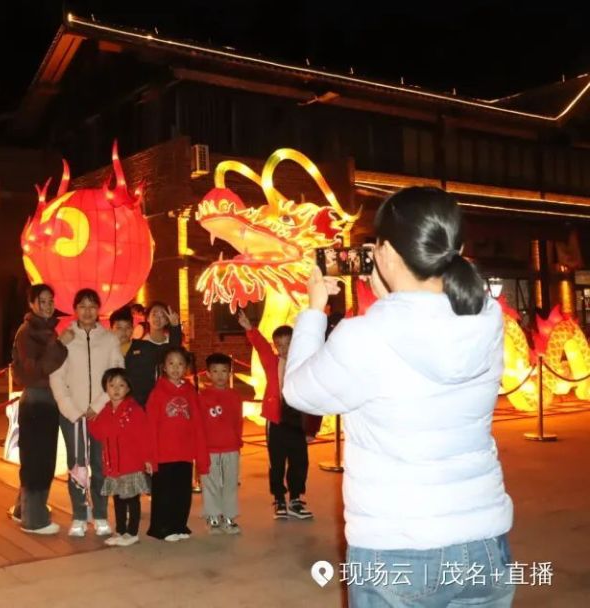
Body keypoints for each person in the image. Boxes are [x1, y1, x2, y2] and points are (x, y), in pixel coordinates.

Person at [284, 186, 515, 606]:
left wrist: (315, 308)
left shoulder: (365, 337)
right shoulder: (486, 318)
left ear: (384, 252)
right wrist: (395, 295)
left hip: (398, 549)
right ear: (455, 246)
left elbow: (298, 391)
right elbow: (424, 325)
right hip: (485, 543)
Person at [50, 288, 125, 537]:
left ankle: (101, 514)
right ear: (75, 310)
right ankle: (80, 515)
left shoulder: (110, 339)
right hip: (73, 415)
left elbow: (117, 375)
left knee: (100, 465)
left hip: (101, 413)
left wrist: (100, 404)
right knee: (76, 465)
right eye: (82, 306)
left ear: (99, 310)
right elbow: (56, 377)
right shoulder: (65, 338)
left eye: (92, 306)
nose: (87, 311)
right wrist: (72, 410)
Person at [238, 313, 313, 520]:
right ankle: (279, 497)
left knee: (300, 461)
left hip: (298, 420)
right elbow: (261, 346)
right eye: (279, 344)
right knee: (277, 461)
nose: (283, 348)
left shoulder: (304, 364)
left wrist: (312, 429)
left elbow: (312, 395)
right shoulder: (272, 362)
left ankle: (296, 498)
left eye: (288, 344)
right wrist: (249, 328)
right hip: (277, 420)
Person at [9, 284, 71, 534]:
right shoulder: (28, 332)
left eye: (50, 301)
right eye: (42, 301)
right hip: (37, 400)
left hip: (46, 400)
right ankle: (34, 521)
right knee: (39, 461)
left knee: (35, 458)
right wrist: (60, 346)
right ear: (32, 304)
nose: (47, 305)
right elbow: (34, 371)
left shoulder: (45, 330)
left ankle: (23, 509)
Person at [145, 346, 209, 542]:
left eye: (180, 364)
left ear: (186, 368)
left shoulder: (190, 391)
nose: (175, 368)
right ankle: (161, 528)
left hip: (184, 452)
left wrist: (200, 454)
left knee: (182, 492)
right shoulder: (158, 392)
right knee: (164, 493)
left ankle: (179, 524)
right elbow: (150, 426)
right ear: (164, 367)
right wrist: (150, 456)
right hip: (164, 453)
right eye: (171, 363)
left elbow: (198, 422)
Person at [89, 368, 152, 547]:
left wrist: (147, 458)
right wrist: (90, 419)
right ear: (106, 388)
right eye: (112, 385)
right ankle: (121, 530)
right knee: (117, 499)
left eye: (121, 385)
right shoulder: (106, 410)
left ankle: (132, 532)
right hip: (113, 465)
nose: (116, 389)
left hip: (131, 463)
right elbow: (99, 433)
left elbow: (144, 435)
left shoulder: (134, 410)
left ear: (128, 388)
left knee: (131, 499)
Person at [198, 353, 243, 534]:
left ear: (229, 373)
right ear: (208, 374)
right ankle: (213, 516)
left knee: (230, 483)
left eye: (224, 371)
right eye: (215, 371)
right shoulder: (202, 397)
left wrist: (238, 442)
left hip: (231, 447)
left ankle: (229, 516)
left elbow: (238, 421)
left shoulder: (235, 396)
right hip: (209, 449)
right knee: (210, 483)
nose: (220, 375)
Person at [114, 302, 183, 408]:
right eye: (119, 328)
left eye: (127, 327)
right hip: (116, 406)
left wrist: (175, 327)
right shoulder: (104, 352)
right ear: (111, 329)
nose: (123, 332)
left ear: (132, 329)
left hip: (143, 406)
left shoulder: (145, 347)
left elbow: (172, 351)